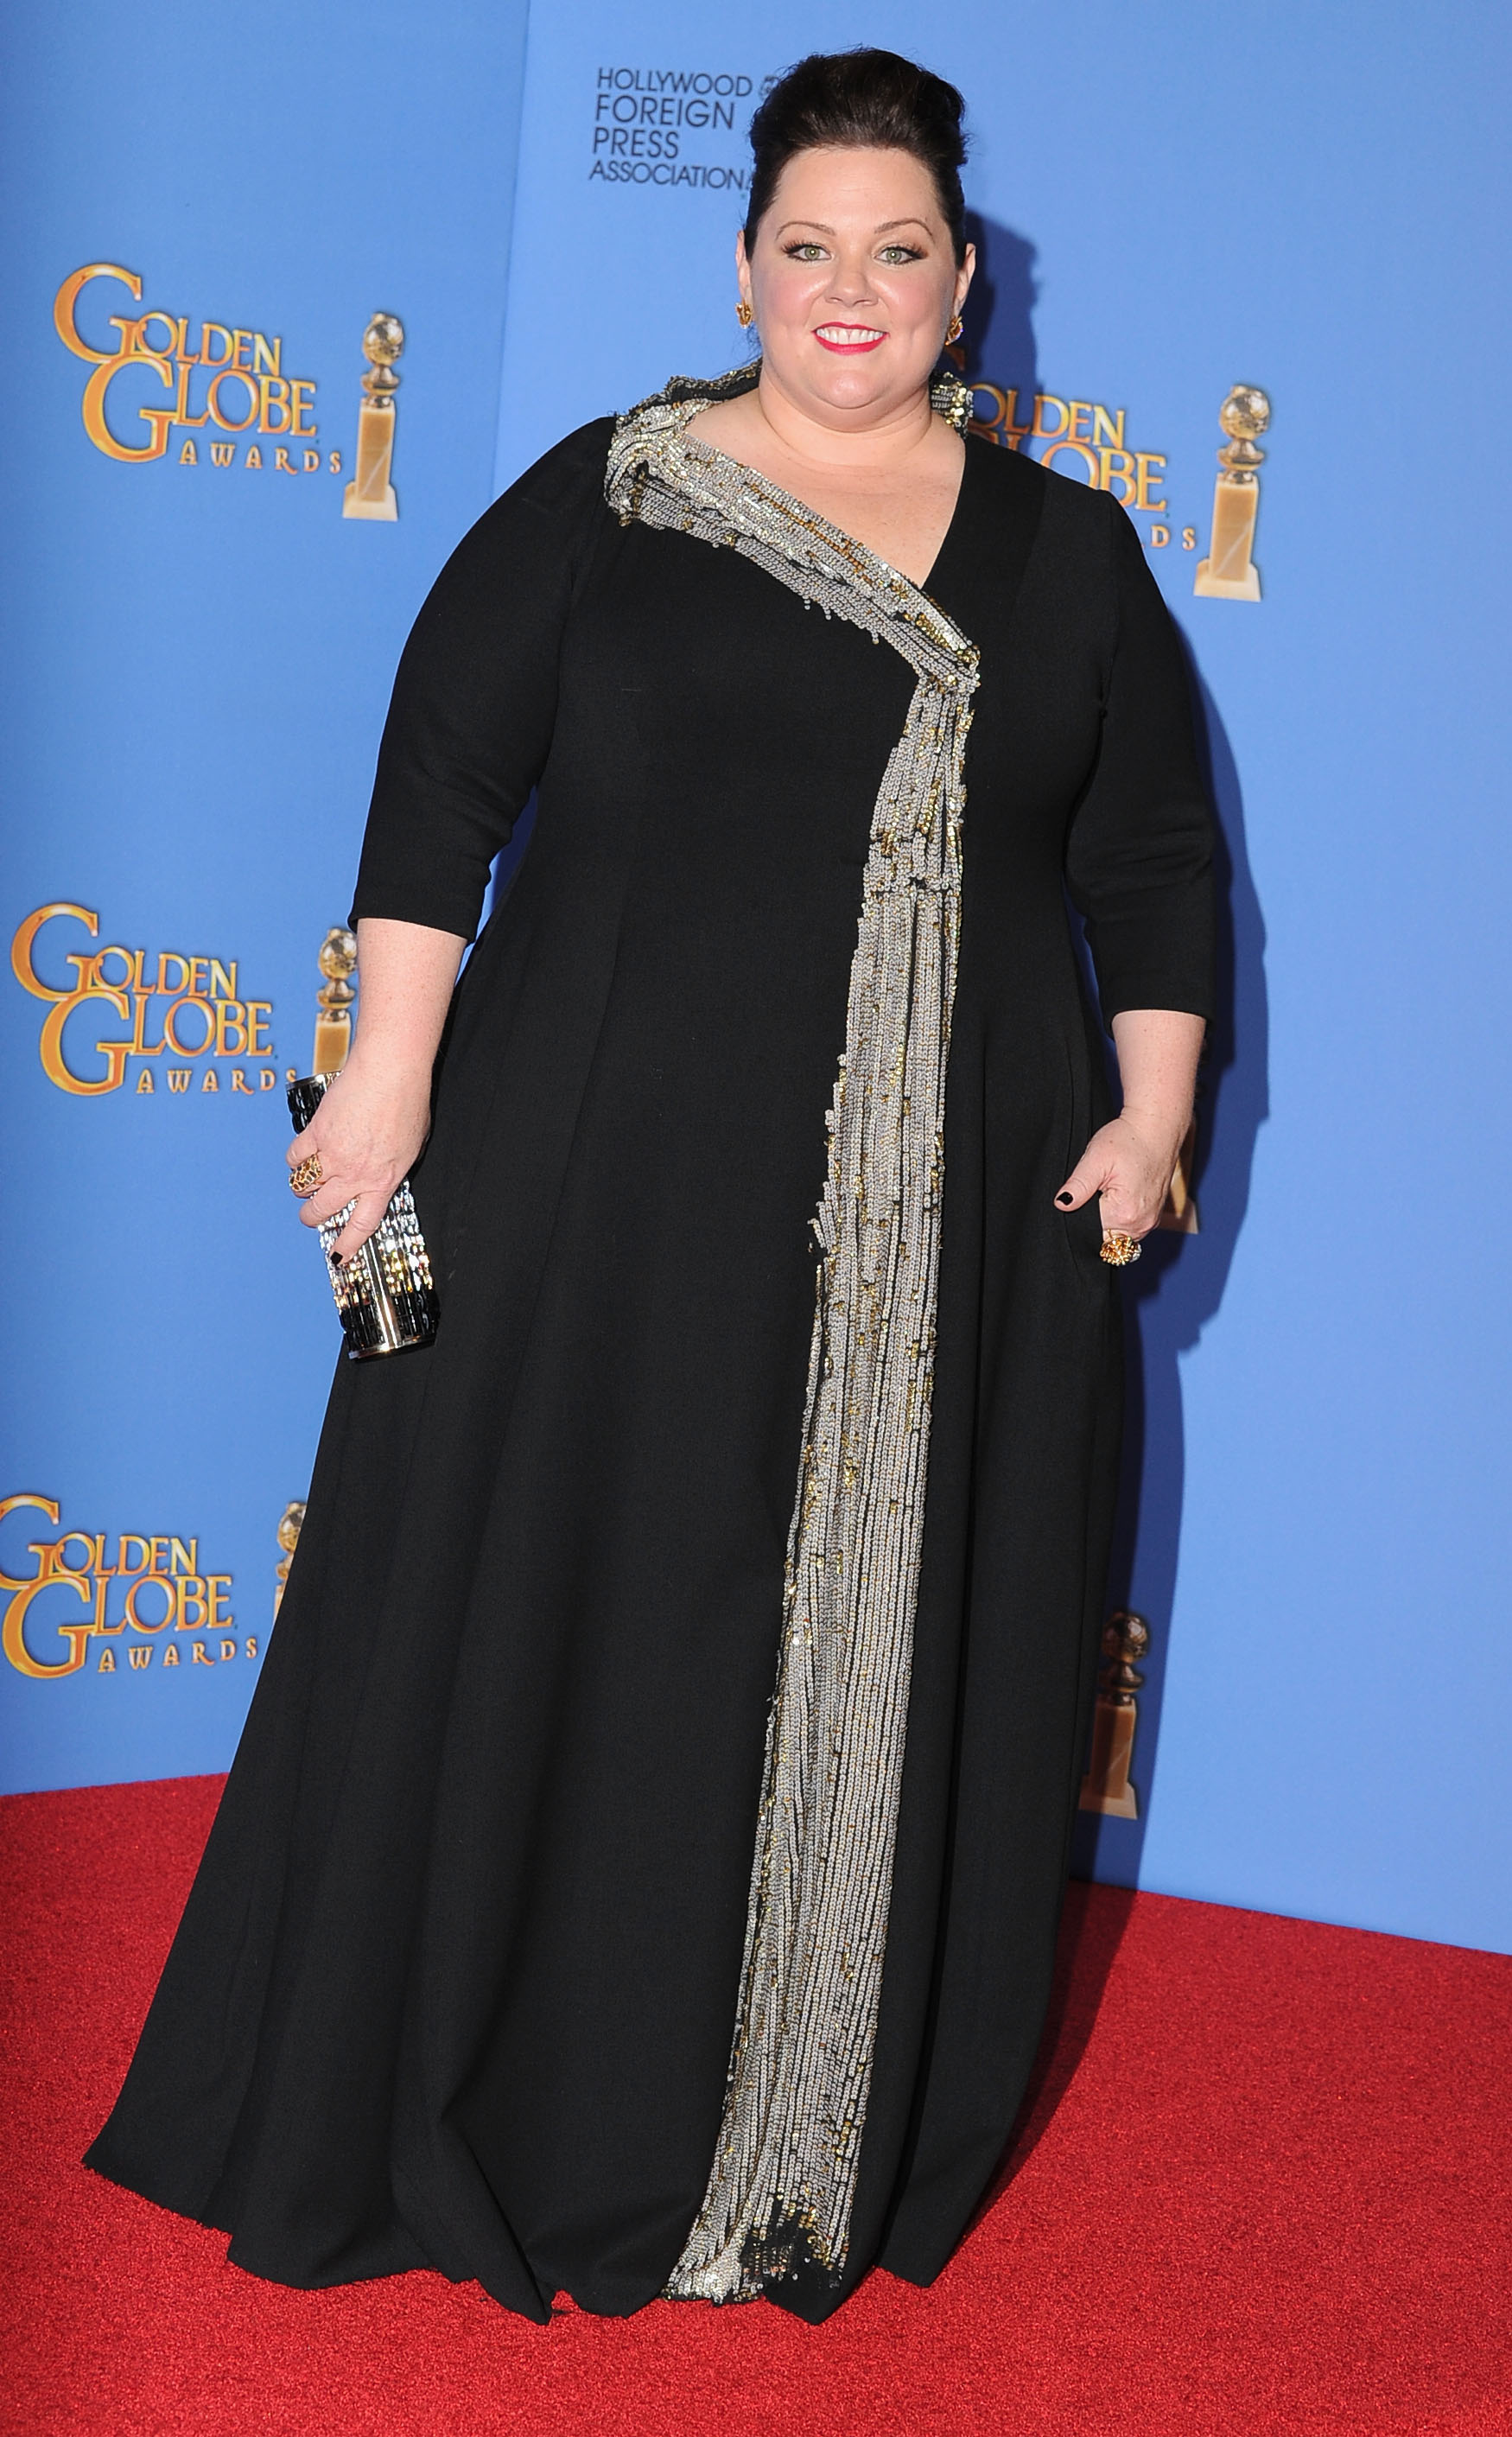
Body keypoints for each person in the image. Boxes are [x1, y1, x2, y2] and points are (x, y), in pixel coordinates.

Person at [87, 49, 1213, 2326]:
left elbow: (1155, 861)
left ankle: (794, 2138)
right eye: (809, 246)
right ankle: (500, 2100)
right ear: (745, 271)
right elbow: (442, 769)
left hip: (936, 1245)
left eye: (900, 248)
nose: (854, 289)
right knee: (558, 1616)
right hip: (596, 1194)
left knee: (843, 1659)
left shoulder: (1069, 558)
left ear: (963, 277)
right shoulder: (615, 497)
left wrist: (1154, 1110)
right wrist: (386, 1075)